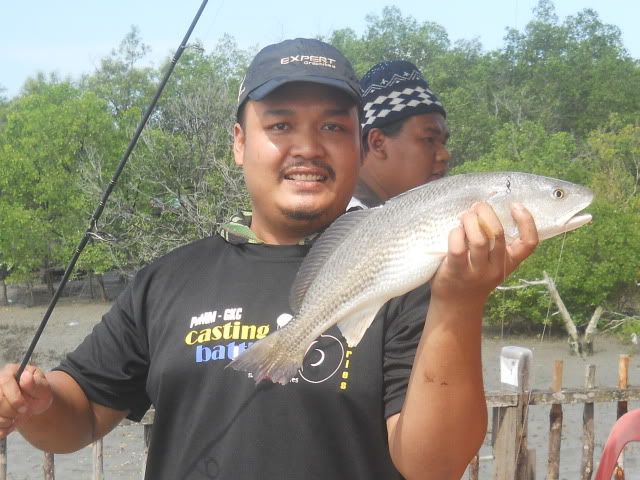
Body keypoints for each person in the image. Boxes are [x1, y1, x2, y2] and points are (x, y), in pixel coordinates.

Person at [0, 38, 539, 480]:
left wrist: (460, 302)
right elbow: (80, 416)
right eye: (280, 125)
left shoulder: (411, 282)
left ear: (359, 147)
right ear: (239, 143)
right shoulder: (164, 280)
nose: (308, 147)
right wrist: (37, 403)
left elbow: (434, 466)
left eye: (333, 127)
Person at [349, 60, 450, 209]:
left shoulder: (394, 213)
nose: (445, 155)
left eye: (443, 143)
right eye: (429, 139)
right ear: (378, 143)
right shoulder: (345, 217)